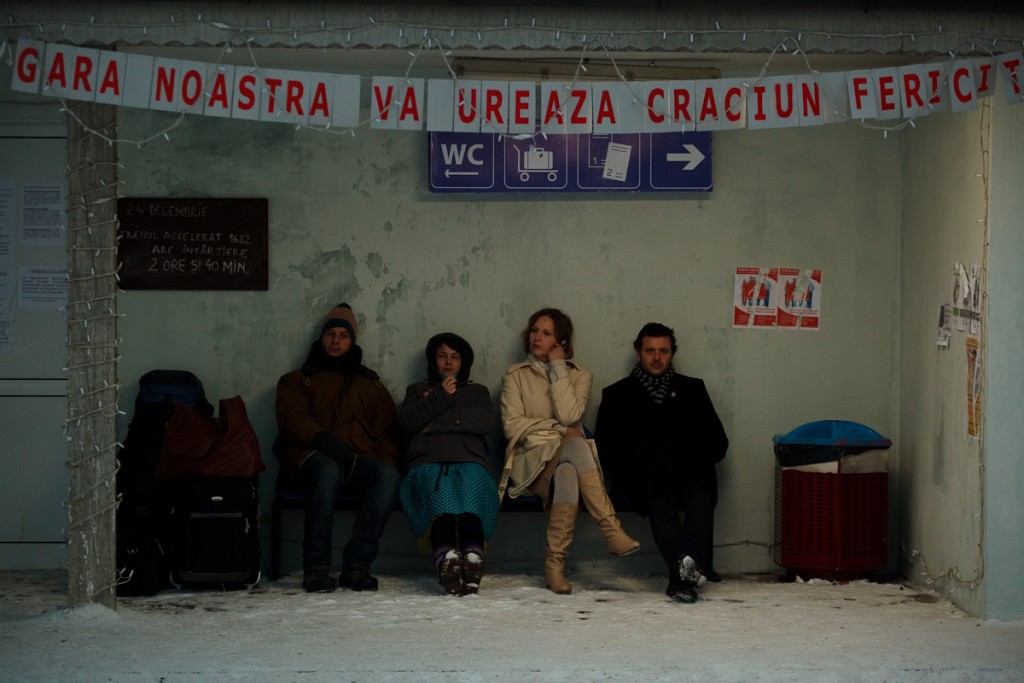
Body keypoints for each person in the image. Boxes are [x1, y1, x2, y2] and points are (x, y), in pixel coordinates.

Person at [499, 307, 639, 595]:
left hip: (562, 463)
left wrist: (558, 369)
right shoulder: (515, 376)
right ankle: (611, 530)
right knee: (575, 442)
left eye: (546, 333)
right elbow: (513, 427)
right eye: (535, 330)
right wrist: (560, 431)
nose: (537, 336)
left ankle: (554, 567)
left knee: (567, 472)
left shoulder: (579, 375)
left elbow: (569, 412)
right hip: (532, 464)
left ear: (560, 342)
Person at [595, 322, 729, 603]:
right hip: (645, 477)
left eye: (663, 351)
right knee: (661, 502)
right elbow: (605, 451)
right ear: (638, 352)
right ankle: (688, 572)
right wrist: (644, 454)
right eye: (650, 351)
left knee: (699, 501)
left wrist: (687, 450)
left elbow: (718, 443)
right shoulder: (617, 395)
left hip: (691, 472)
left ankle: (682, 578)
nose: (657, 357)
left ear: (672, 353)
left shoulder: (692, 389)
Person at [275, 303, 401, 593]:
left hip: (356, 460)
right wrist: (322, 440)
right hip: (311, 458)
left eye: (343, 335)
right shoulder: (296, 380)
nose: (336, 341)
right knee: (327, 470)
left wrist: (385, 463)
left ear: (352, 340)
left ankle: (357, 567)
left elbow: (387, 432)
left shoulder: (371, 385)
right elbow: (292, 419)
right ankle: (316, 569)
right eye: (330, 334)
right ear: (321, 338)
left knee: (387, 475)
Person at [397, 333, 499, 596]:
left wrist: (438, 423)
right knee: (438, 493)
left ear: (463, 362)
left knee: (471, 491)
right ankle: (447, 560)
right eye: (442, 356)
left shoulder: (477, 392)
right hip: (427, 461)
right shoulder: (417, 390)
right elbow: (408, 421)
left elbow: (486, 421)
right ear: (433, 359)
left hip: (468, 460)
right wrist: (439, 396)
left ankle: (473, 558)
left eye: (455, 357)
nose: (448, 362)